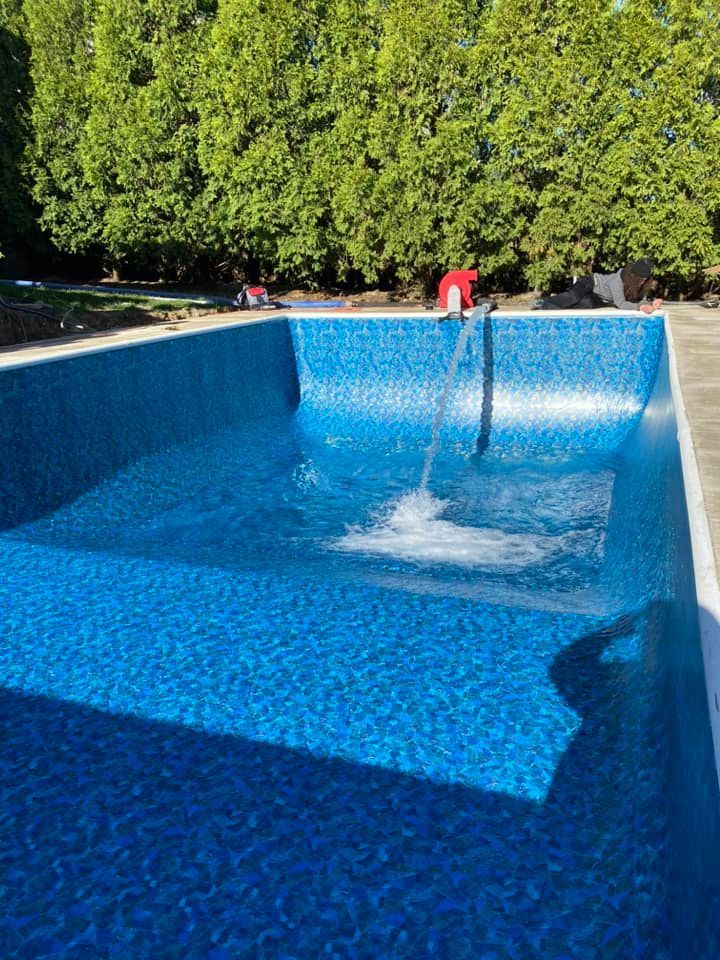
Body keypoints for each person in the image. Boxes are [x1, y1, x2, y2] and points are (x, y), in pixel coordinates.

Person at [534, 258, 663, 313]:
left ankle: (555, 302)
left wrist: (651, 304)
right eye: (640, 279)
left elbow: (639, 301)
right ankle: (543, 302)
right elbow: (621, 304)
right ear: (633, 276)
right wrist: (640, 308)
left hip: (597, 297)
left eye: (645, 280)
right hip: (591, 282)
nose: (642, 282)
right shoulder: (617, 281)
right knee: (573, 297)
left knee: (586, 305)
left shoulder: (640, 284)